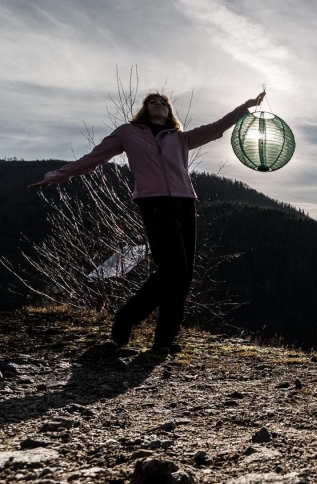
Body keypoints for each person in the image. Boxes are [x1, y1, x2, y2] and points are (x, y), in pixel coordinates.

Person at [30, 90, 266, 353]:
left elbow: (217, 127)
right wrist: (56, 176)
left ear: (169, 112)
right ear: (144, 110)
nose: (159, 104)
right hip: (153, 202)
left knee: (183, 274)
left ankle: (164, 340)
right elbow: (94, 158)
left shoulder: (180, 137)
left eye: (164, 102)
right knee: (174, 266)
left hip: (185, 201)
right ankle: (127, 317)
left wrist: (245, 107)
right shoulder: (128, 132)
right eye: (153, 101)